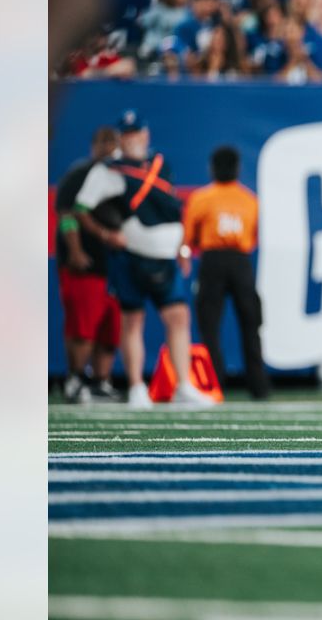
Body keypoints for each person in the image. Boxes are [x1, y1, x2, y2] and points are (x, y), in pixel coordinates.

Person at [73, 110, 212, 408]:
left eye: (136, 132)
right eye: (127, 133)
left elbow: (173, 212)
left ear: (146, 134)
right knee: (132, 319)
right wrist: (106, 235)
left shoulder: (161, 165)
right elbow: (81, 208)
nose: (132, 138)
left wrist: (181, 249)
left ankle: (183, 385)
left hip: (166, 256)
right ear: (121, 138)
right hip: (132, 255)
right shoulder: (109, 171)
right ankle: (137, 386)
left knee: (178, 317)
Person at [183, 146, 270, 400]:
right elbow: (252, 237)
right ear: (238, 168)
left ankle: (213, 384)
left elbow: (189, 237)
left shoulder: (201, 198)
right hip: (240, 261)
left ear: (212, 168)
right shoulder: (249, 199)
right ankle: (259, 386)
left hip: (212, 260)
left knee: (209, 325)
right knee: (250, 323)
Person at [55, 126, 123, 403]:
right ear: (93, 144)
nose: (108, 147)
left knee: (111, 325)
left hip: (114, 264)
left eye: (113, 141)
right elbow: (66, 214)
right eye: (103, 141)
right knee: (83, 324)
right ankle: (75, 379)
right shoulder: (79, 173)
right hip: (86, 261)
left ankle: (100, 381)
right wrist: (75, 250)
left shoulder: (120, 176)